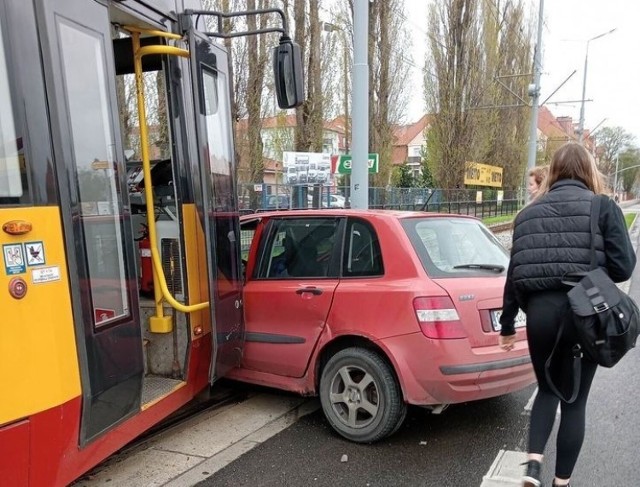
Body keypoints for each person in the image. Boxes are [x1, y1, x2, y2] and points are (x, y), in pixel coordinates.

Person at [498, 142, 636, 487]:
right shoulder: (602, 206)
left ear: (553, 172)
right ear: (589, 170)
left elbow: (514, 276)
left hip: (540, 315)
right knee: (575, 401)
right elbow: (623, 268)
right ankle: (562, 482)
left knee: (547, 388)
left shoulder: (527, 214)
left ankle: (532, 467)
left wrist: (506, 326)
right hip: (584, 311)